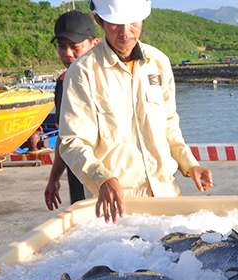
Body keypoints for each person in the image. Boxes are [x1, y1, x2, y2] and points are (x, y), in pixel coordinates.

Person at [58, 0, 213, 223]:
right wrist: (102, 178)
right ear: (99, 20)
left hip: (167, 195)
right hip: (119, 207)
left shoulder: (158, 62)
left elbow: (169, 124)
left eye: (133, 22)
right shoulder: (83, 72)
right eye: (116, 23)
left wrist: (191, 165)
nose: (125, 32)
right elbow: (73, 141)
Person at [44, 11, 99, 211]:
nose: (67, 53)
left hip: (113, 179)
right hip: (79, 176)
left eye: (75, 46)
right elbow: (64, 135)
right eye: (61, 46)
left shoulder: (109, 79)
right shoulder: (63, 82)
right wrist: (54, 178)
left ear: (95, 43)